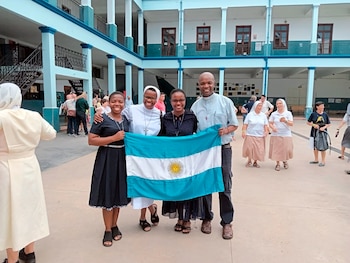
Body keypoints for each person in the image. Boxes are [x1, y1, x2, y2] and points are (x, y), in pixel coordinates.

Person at [0, 83, 56, 263]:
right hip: (30, 166)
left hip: (5, 167)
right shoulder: (33, 116)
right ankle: (29, 253)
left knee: (9, 212)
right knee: (29, 209)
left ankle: (12, 259)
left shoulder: (2, 117)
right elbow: (51, 134)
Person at [94, 86, 161, 232]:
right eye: (147, 97)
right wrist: (99, 113)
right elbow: (114, 114)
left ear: (157, 99)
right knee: (138, 185)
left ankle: (143, 217)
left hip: (149, 155)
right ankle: (149, 210)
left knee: (147, 184)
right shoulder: (132, 110)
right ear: (143, 97)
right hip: (132, 154)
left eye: (152, 97)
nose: (149, 100)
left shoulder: (159, 114)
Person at [190, 72, 238, 240]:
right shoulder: (195, 106)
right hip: (204, 152)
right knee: (206, 185)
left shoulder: (225, 102)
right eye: (203, 83)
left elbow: (234, 125)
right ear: (199, 84)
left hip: (223, 149)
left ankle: (227, 222)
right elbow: (193, 130)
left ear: (214, 83)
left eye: (209, 83)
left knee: (224, 185)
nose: (206, 86)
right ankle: (206, 218)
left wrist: (225, 130)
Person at [88, 91, 130, 247]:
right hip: (107, 158)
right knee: (107, 193)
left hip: (122, 159)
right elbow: (91, 140)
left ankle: (114, 225)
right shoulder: (101, 119)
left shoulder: (126, 120)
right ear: (109, 103)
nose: (117, 104)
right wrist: (114, 138)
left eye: (120, 101)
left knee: (118, 193)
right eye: (114, 101)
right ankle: (107, 230)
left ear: (124, 103)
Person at [160, 89, 200, 234]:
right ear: (170, 102)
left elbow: (197, 134)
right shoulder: (165, 118)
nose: (178, 103)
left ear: (185, 101)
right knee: (175, 188)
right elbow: (161, 137)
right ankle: (179, 218)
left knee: (187, 188)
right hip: (172, 161)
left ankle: (187, 219)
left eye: (181, 100)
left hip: (188, 159)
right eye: (175, 100)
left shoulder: (191, 116)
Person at [242, 100, 269, 168]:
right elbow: (245, 124)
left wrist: (266, 131)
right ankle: (249, 160)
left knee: (258, 150)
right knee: (250, 149)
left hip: (260, 135)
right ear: (255, 106)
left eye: (260, 106)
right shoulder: (250, 115)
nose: (259, 107)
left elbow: (266, 125)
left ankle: (255, 162)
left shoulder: (263, 115)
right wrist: (243, 131)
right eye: (258, 106)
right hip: (250, 134)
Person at [268, 98, 294, 171]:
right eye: (277, 104)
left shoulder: (288, 113)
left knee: (286, 149)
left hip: (286, 134)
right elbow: (270, 123)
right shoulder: (274, 114)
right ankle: (278, 164)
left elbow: (291, 123)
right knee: (277, 150)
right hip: (276, 134)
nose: (278, 105)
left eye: (280, 103)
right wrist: (273, 128)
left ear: (283, 104)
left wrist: (285, 121)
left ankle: (285, 161)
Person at [307, 101, 331, 167]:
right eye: (321, 106)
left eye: (323, 106)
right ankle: (316, 159)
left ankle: (323, 161)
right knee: (315, 146)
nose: (323, 107)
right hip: (314, 132)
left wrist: (324, 127)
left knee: (323, 146)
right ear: (317, 107)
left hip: (323, 133)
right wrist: (314, 125)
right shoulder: (313, 114)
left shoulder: (325, 114)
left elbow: (329, 124)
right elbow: (308, 122)